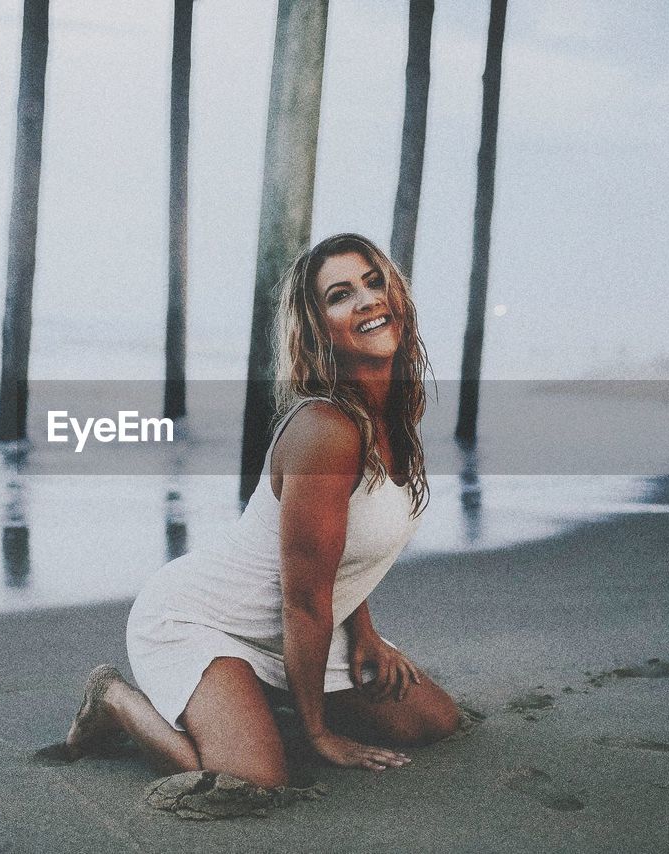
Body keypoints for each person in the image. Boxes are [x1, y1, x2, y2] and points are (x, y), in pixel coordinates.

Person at [61, 233, 460, 788]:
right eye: (341, 295)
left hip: (296, 627)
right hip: (202, 621)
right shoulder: (326, 430)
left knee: (432, 722)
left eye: (373, 281)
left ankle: (263, 700)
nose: (368, 299)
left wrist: (364, 631)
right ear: (319, 329)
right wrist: (319, 735)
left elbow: (340, 550)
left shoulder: (390, 413)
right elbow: (302, 601)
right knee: (251, 778)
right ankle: (116, 700)